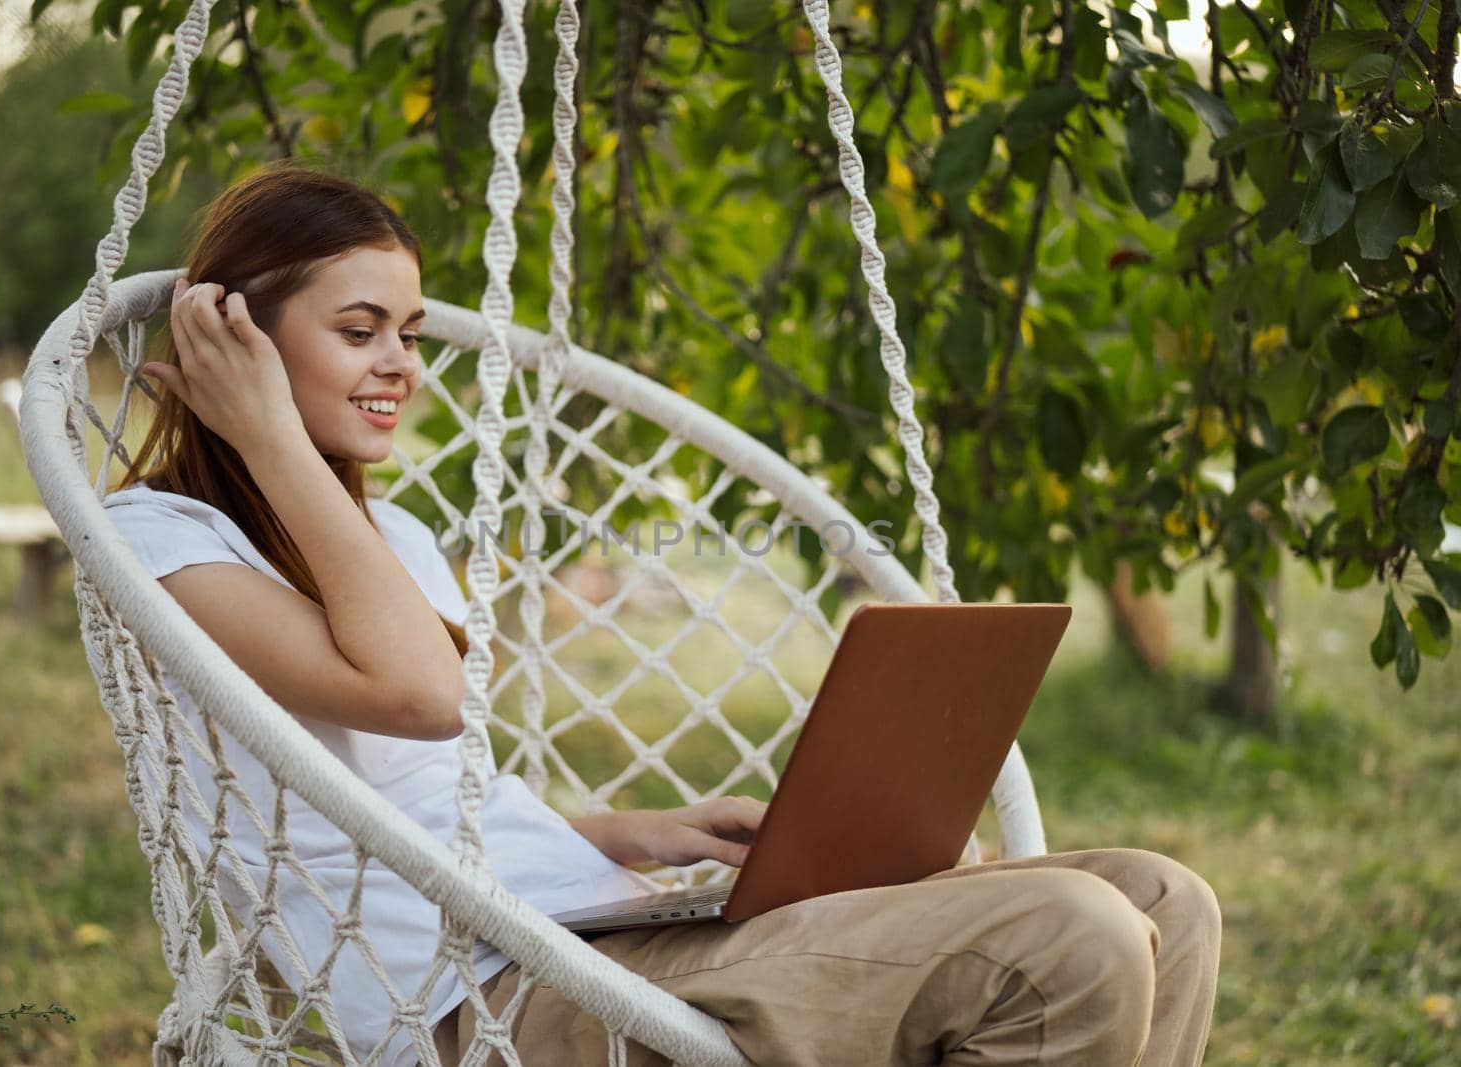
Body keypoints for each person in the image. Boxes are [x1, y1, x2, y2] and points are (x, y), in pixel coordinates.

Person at [103, 161, 1221, 1066]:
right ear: (234, 345)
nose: (402, 361)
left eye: (406, 329)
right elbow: (418, 697)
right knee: (1071, 942)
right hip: (482, 1004)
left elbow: (427, 798)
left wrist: (630, 831)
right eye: (361, 330)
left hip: (588, 926)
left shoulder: (385, 540)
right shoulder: (162, 542)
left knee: (1163, 897)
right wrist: (266, 439)